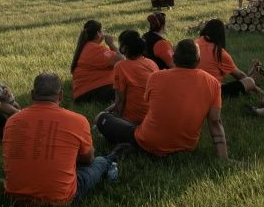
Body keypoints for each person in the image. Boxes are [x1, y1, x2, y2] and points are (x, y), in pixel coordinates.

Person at [3, 73, 127, 207]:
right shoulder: (78, 120)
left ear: (32, 94)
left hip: (15, 199)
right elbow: (88, 159)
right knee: (99, 161)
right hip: (60, 199)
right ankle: (110, 159)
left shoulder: (12, 121)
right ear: (61, 95)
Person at [96, 39, 228, 159]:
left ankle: (134, 147)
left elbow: (151, 106)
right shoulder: (213, 83)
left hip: (148, 141)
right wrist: (224, 158)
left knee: (101, 118)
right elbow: (215, 122)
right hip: (186, 147)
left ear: (174, 58)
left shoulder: (156, 77)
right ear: (198, 60)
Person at [195, 19, 264, 98]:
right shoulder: (219, 52)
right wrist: (258, 90)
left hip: (193, 89)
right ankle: (254, 77)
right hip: (211, 93)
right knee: (249, 81)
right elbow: (240, 75)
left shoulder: (194, 44)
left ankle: (253, 74)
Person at [101, 30, 158, 125]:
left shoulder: (120, 66)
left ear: (123, 48)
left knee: (100, 119)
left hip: (132, 121)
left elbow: (120, 101)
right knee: (105, 112)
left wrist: (116, 120)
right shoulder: (151, 63)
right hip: (152, 117)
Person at [70, 20, 124, 103]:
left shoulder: (86, 47)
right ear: (98, 33)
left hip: (85, 94)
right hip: (92, 93)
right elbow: (121, 60)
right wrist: (111, 44)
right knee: (129, 90)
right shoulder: (94, 49)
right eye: (102, 31)